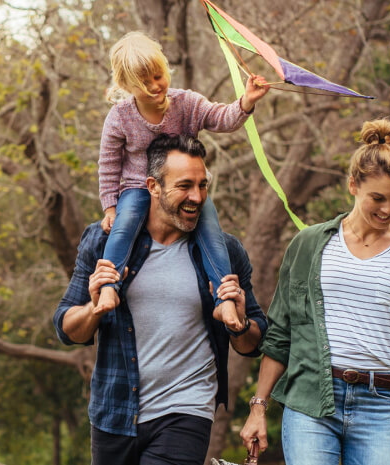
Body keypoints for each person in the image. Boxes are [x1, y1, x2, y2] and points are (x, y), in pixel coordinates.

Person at [239, 119, 390, 465]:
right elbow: (281, 333)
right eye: (378, 198)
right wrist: (259, 407)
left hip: (381, 403)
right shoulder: (309, 244)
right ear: (353, 185)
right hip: (312, 397)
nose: (387, 209)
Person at [55, 133, 267, 465]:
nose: (196, 196)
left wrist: (240, 325)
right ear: (153, 186)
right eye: (184, 186)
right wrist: (94, 310)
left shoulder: (224, 253)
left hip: (187, 411)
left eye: (202, 185)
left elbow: (253, 343)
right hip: (114, 412)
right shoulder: (103, 244)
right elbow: (67, 329)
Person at [93, 31, 271, 331]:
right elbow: (109, 164)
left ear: (165, 68)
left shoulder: (185, 103)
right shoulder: (120, 117)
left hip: (185, 188)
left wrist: (246, 101)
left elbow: (220, 118)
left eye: (158, 75)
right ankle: (109, 285)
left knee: (212, 232)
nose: (154, 86)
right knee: (124, 226)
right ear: (126, 86)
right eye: (143, 83)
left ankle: (224, 300)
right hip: (138, 186)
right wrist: (110, 206)